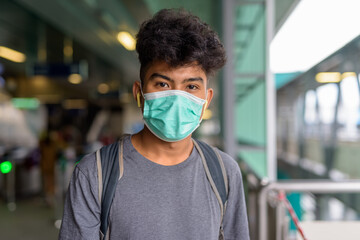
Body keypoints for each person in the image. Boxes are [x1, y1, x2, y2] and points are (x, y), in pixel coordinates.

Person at [59, 8, 250, 240]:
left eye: (191, 87)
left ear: (206, 100)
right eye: (162, 84)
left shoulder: (224, 172)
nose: (177, 99)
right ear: (139, 94)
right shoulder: (94, 174)